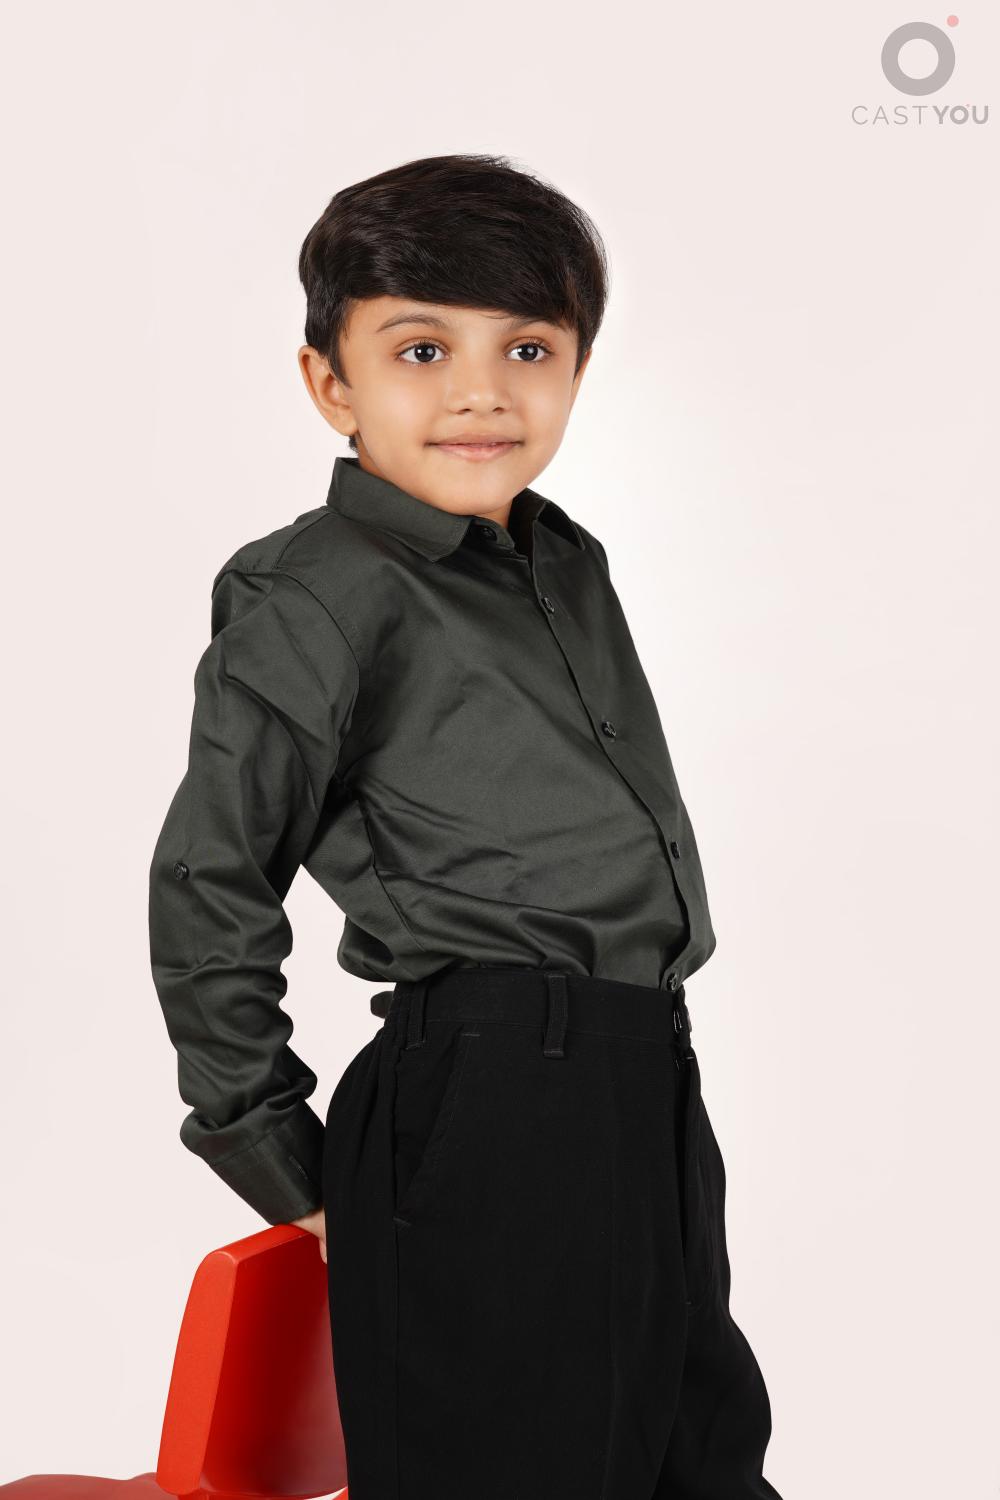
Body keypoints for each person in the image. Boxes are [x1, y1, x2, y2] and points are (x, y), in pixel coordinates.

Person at [147, 152, 784, 1500]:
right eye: (423, 349)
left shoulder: (564, 561)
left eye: (528, 349)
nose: (482, 391)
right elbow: (213, 872)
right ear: (332, 384)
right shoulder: (318, 590)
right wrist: (272, 1148)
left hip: (642, 1079)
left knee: (699, 1459)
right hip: (491, 1094)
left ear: (578, 371)